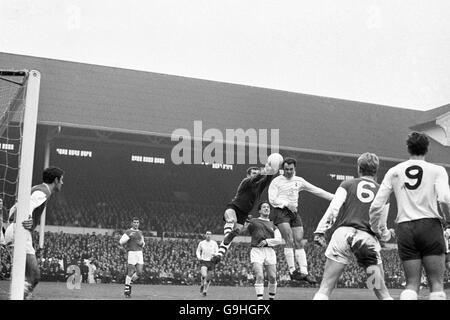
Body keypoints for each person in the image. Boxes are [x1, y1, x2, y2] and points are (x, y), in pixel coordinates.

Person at [369, 132, 450, 300]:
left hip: (405, 228)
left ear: (408, 148)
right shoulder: (437, 170)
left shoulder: (394, 171)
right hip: (430, 226)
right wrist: (448, 219)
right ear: (427, 148)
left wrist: (375, 228)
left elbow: (377, 205)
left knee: (411, 284)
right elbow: (444, 199)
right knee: (436, 283)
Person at [312, 152, 393, 300]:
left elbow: (333, 209)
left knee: (326, 287)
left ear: (359, 168)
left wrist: (320, 231)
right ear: (376, 170)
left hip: (342, 236)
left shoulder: (347, 184)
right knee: (381, 292)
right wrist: (387, 235)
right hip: (367, 240)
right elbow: (381, 227)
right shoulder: (383, 192)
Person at [268, 157, 333, 284]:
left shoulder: (299, 181)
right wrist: (287, 204)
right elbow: (272, 199)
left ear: (295, 168)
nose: (289, 172)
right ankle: (292, 271)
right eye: (286, 169)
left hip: (294, 213)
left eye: (291, 169)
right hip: (280, 211)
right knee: (289, 239)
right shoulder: (276, 181)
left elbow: (316, 190)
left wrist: (335, 198)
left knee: (299, 241)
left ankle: (304, 272)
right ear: (282, 169)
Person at [4, 166, 64, 299]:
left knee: (28, 276)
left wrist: (12, 222)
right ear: (56, 180)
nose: (62, 183)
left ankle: (21, 295)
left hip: (18, 230)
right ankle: (19, 296)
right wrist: (28, 219)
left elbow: (14, 208)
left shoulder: (36, 188)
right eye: (61, 180)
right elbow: (29, 205)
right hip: (20, 231)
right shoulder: (43, 191)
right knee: (34, 275)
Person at [211, 163, 278, 264]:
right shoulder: (246, 181)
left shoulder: (259, 187)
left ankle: (219, 255)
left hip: (244, 214)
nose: (255, 175)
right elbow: (255, 179)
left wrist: (272, 170)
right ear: (248, 175)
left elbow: (267, 179)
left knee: (236, 232)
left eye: (256, 173)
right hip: (234, 207)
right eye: (253, 173)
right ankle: (228, 235)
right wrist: (264, 170)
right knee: (231, 220)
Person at [247, 201, 283, 300]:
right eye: (264, 207)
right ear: (259, 210)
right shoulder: (253, 221)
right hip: (257, 251)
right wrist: (245, 222)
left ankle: (271, 298)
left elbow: (279, 240)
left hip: (269, 251)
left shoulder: (273, 224)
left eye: (268, 207)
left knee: (272, 277)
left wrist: (267, 241)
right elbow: (243, 230)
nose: (266, 208)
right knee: (259, 276)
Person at [119, 217, 145, 298]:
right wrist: (128, 238)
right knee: (130, 271)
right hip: (132, 253)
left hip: (139, 253)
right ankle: (127, 289)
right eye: (135, 222)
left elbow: (143, 243)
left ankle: (129, 284)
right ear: (132, 223)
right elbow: (121, 241)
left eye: (137, 222)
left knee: (139, 272)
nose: (136, 224)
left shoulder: (140, 232)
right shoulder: (128, 231)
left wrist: (142, 243)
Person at [196, 231, 219, 296]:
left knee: (208, 279)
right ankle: (202, 284)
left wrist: (215, 255)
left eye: (209, 234)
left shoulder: (214, 243)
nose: (208, 236)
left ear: (211, 236)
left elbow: (217, 251)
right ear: (205, 235)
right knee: (204, 275)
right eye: (207, 234)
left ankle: (205, 291)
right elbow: (198, 251)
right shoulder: (201, 243)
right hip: (204, 261)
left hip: (211, 262)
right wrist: (199, 257)